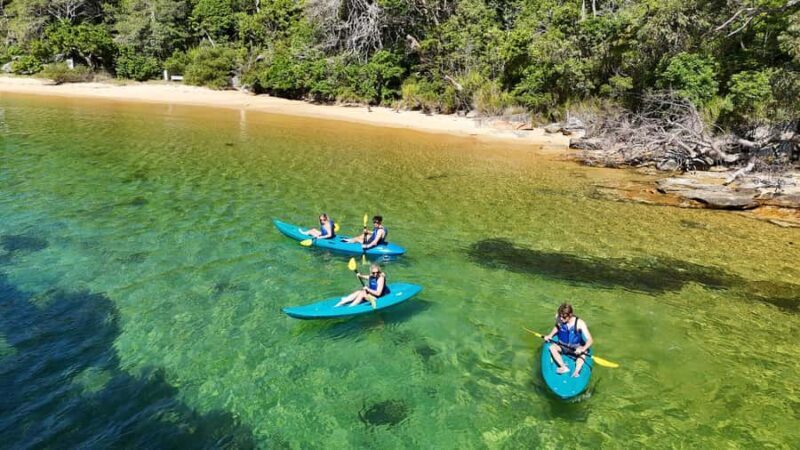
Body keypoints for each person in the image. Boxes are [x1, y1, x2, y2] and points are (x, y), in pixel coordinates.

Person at [543, 303, 594, 378]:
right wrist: (550, 335)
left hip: (575, 349)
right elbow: (557, 327)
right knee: (552, 348)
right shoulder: (559, 317)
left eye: (564, 317)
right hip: (562, 346)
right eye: (560, 316)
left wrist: (582, 349)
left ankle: (577, 371)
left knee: (584, 353)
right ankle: (563, 367)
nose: (561, 319)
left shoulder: (580, 323)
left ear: (570, 315)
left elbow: (590, 340)